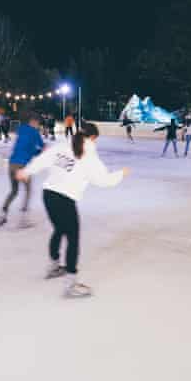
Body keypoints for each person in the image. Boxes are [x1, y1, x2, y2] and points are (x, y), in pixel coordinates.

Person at [17, 122, 128, 298]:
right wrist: (121, 174)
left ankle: (54, 266)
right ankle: (70, 284)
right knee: (73, 239)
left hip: (48, 195)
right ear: (92, 138)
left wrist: (27, 171)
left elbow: (43, 159)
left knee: (59, 230)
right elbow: (103, 180)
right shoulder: (89, 155)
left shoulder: (62, 146)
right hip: (65, 199)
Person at [0, 113, 45, 227]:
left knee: (14, 191)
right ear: (35, 122)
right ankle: (24, 218)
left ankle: (3, 213)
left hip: (12, 164)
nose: (38, 126)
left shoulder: (21, 129)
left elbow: (24, 146)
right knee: (28, 190)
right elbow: (39, 147)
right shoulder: (35, 133)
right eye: (38, 124)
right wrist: (40, 150)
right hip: (23, 167)